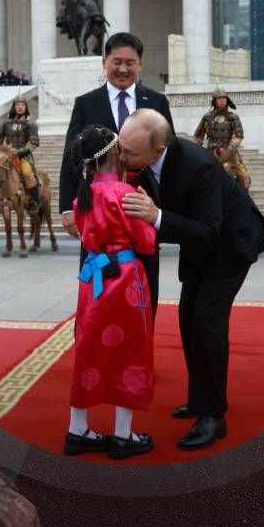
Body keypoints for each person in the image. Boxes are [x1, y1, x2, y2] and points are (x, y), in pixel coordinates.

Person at [119, 109, 264, 451]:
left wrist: (155, 216)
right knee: (188, 319)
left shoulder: (197, 165)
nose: (122, 157)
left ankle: (214, 417)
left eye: (129, 152)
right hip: (200, 248)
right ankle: (199, 398)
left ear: (158, 151)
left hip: (231, 244)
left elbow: (208, 228)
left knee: (207, 323)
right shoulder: (141, 163)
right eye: (121, 147)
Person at [59, 32, 173, 318]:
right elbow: (71, 155)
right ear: (104, 62)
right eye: (117, 62)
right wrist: (67, 207)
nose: (123, 69)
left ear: (140, 65)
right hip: (98, 210)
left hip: (142, 206)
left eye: (130, 63)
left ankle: (141, 339)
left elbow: (168, 154)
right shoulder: (86, 103)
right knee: (97, 280)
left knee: (146, 283)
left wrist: (168, 209)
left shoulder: (156, 101)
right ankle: (95, 340)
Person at [63, 125, 157, 460]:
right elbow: (146, 242)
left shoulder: (82, 198)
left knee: (88, 349)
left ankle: (78, 429)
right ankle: (122, 434)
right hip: (125, 279)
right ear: (115, 154)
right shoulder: (126, 193)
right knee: (130, 352)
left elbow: (85, 236)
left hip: (93, 280)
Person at [0, 95, 43, 211]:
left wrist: (18, 152)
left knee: (27, 174)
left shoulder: (31, 123)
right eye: (18, 105)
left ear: (26, 107)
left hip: (25, 156)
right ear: (14, 107)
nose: (20, 107)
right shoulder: (6, 123)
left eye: (22, 105)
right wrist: (1, 149)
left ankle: (35, 201)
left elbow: (33, 143)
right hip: (8, 156)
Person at [192, 86, 249, 187]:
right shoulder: (207, 117)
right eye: (219, 98)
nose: (222, 100)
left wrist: (229, 151)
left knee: (245, 178)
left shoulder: (233, 117)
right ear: (214, 101)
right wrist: (197, 153)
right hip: (211, 153)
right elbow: (199, 137)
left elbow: (238, 136)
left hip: (229, 153)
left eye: (224, 98)